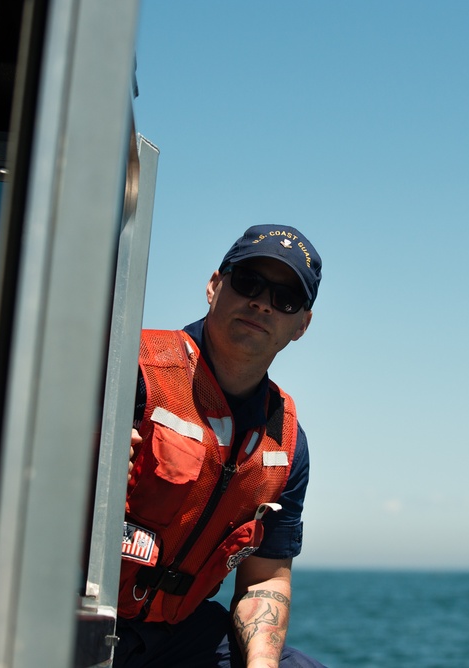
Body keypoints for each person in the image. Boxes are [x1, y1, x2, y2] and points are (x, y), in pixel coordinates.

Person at [116, 225, 327, 668]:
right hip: (73, 607)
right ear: (214, 286)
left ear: (301, 325)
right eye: (249, 282)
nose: (262, 303)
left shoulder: (287, 443)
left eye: (285, 298)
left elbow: (265, 577)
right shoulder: (129, 371)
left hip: (177, 637)